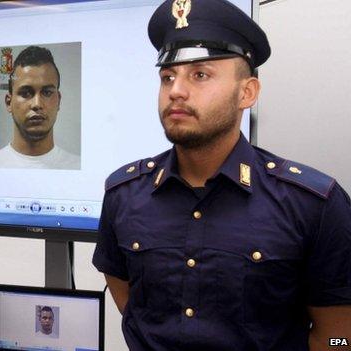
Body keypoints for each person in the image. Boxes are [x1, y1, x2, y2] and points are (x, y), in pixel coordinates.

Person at [92, 0, 351, 350]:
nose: (176, 90)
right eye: (168, 76)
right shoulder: (124, 194)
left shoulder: (314, 204)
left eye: (200, 75)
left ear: (247, 93)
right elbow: (133, 309)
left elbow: (339, 337)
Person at [0, 46, 80, 170]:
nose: (37, 104)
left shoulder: (77, 166)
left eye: (47, 93)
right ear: (9, 102)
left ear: (59, 100)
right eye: (25, 93)